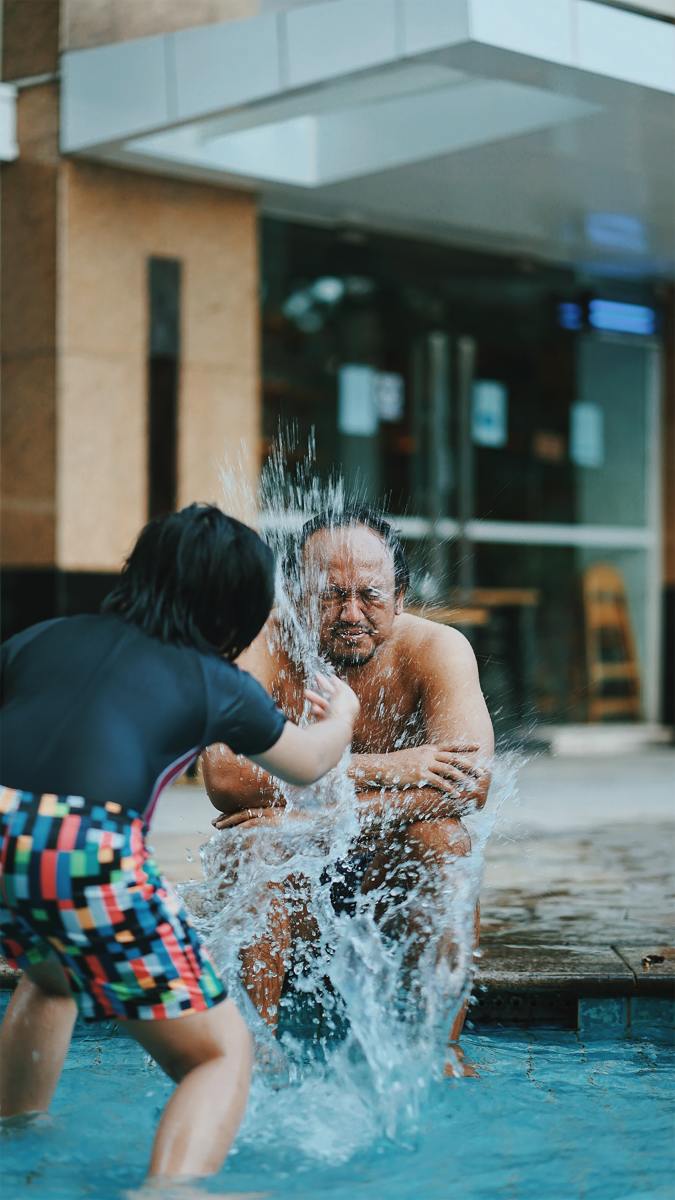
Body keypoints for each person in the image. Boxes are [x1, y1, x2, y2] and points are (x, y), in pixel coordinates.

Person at [0, 503, 358, 1181]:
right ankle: (172, 1191)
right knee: (218, 1055)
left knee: (51, 976)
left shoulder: (43, 636)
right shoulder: (213, 680)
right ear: (240, 608)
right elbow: (309, 763)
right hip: (83, 846)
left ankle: (15, 1134)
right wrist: (341, 716)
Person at [203, 507, 494, 1050]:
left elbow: (468, 785)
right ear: (294, 591)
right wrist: (387, 768)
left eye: (371, 595)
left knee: (445, 840)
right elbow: (222, 774)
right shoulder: (259, 645)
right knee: (256, 844)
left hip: (387, 879)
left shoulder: (437, 649)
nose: (350, 613)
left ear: (400, 596)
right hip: (288, 884)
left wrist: (327, 810)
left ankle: (439, 1052)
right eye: (330, 595)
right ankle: (250, 1059)